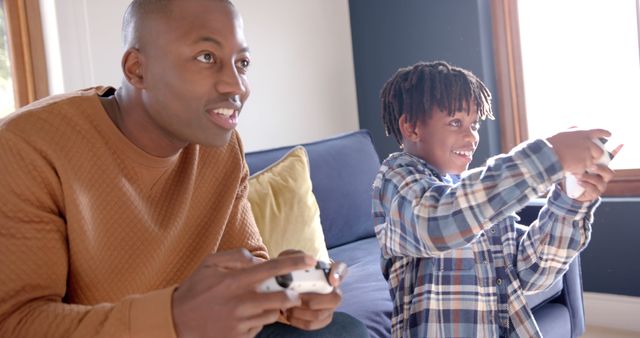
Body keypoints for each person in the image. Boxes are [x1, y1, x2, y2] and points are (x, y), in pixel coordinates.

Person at [0, 0, 369, 337]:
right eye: (206, 57)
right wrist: (174, 317)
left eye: (242, 63)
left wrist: (284, 289)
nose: (236, 85)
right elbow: (17, 323)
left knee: (342, 331)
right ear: (137, 69)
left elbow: (246, 261)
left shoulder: (221, 148)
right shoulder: (26, 147)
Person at [372, 60, 618, 337]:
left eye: (474, 124)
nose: (471, 136)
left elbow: (533, 273)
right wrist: (551, 155)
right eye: (456, 122)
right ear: (412, 128)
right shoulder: (396, 179)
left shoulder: (479, 198)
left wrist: (570, 202)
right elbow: (439, 223)